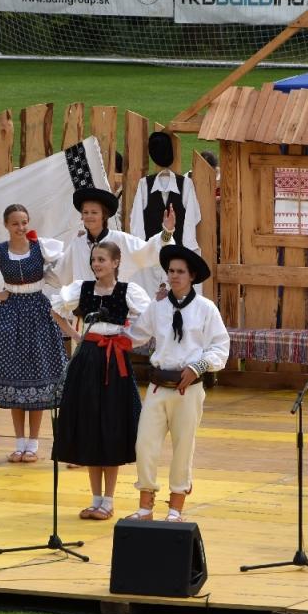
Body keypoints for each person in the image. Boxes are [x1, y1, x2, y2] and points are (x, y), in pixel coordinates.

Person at [123, 246, 229, 522]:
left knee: (183, 446)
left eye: (180, 271)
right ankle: (145, 506)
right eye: (171, 271)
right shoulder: (158, 307)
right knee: (145, 444)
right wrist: (107, 331)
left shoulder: (205, 308)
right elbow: (135, 335)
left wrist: (198, 367)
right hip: (158, 386)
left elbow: (220, 346)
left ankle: (176, 507)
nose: (174, 276)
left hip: (188, 389)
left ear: (192, 276)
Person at [51, 241, 152, 519]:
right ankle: (95, 499)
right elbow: (55, 309)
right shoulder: (82, 289)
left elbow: (148, 320)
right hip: (87, 360)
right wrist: (76, 336)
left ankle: (108, 501)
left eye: (102, 260)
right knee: (90, 425)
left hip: (114, 361)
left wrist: (128, 339)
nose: (96, 264)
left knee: (111, 424)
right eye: (94, 260)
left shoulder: (128, 291)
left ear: (116, 262)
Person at [0, 204, 67, 462]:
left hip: (38, 311)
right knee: (14, 379)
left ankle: (33, 444)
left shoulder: (40, 247)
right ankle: (19, 443)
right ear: (6, 225)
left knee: (38, 377)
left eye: (24, 222)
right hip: (10, 312)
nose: (21, 228)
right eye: (15, 223)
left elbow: (63, 268)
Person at [52, 187, 175, 288]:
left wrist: (167, 232)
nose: (89, 216)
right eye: (85, 212)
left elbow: (148, 251)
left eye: (94, 212)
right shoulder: (78, 243)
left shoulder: (120, 240)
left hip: (114, 304)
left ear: (104, 216)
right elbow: (61, 272)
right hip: (85, 306)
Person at [129, 131, 202, 296]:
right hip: (151, 263)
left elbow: (191, 220)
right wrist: (144, 253)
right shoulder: (144, 185)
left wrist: (187, 250)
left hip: (178, 257)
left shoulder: (185, 185)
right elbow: (137, 224)